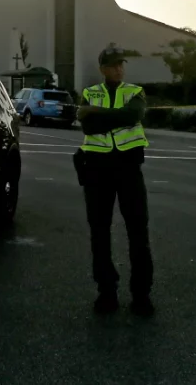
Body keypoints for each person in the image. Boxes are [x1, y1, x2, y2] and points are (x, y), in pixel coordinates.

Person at [74, 45, 154, 316]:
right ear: (103, 69)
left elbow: (134, 115)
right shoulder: (90, 93)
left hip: (129, 168)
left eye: (121, 64)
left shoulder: (135, 92)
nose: (119, 68)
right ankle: (106, 292)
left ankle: (141, 295)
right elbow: (88, 127)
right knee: (99, 232)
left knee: (138, 232)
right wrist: (110, 119)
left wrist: (96, 114)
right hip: (97, 169)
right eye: (113, 65)